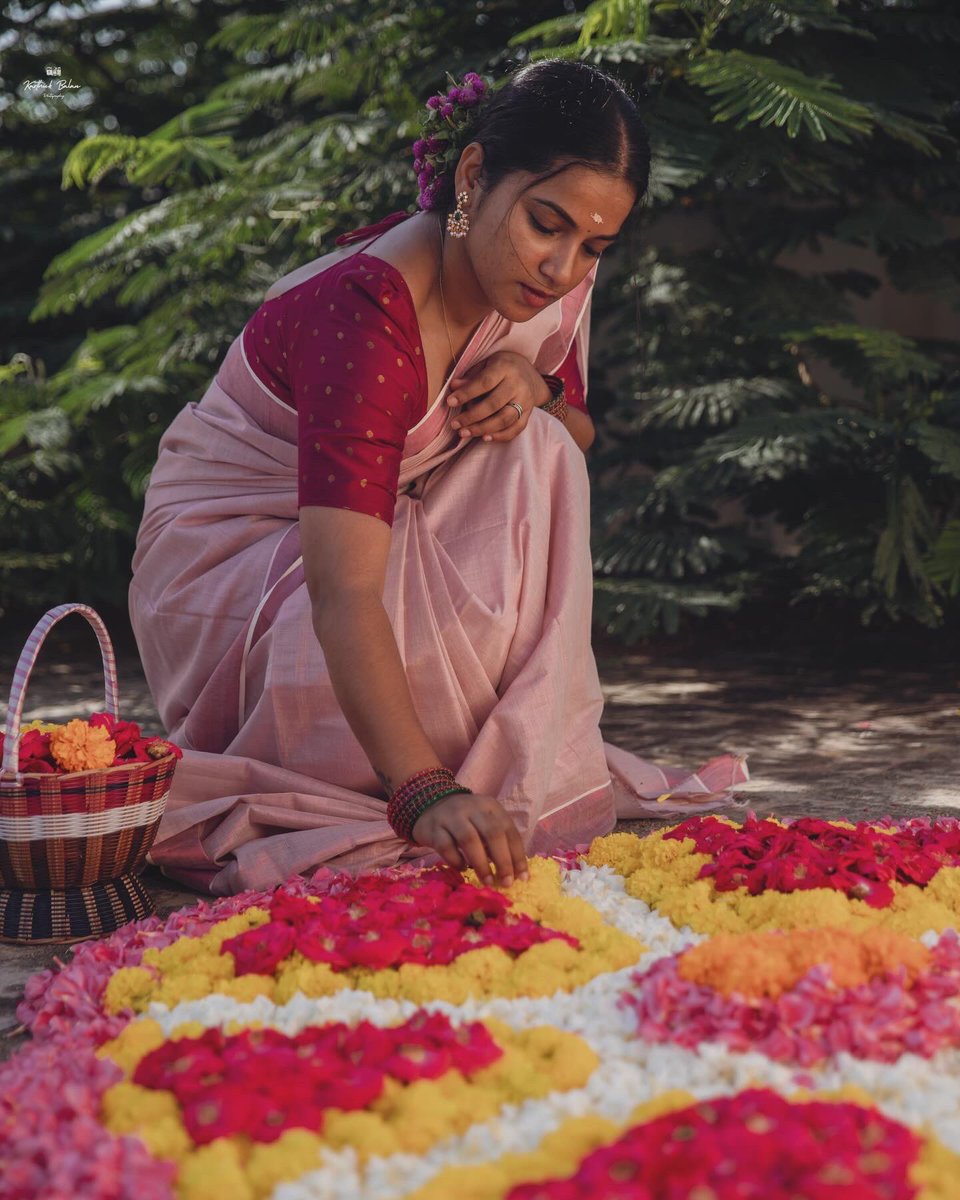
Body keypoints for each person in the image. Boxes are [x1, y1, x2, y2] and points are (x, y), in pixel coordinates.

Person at [129, 59, 747, 896]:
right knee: (514, 467)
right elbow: (344, 591)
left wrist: (539, 387)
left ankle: (446, 751)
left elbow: (578, 439)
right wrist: (423, 794)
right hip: (241, 569)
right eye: (545, 224)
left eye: (593, 246)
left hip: (375, 534)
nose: (563, 268)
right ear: (471, 176)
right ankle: (407, 767)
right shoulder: (368, 314)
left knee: (539, 446)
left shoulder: (542, 283)